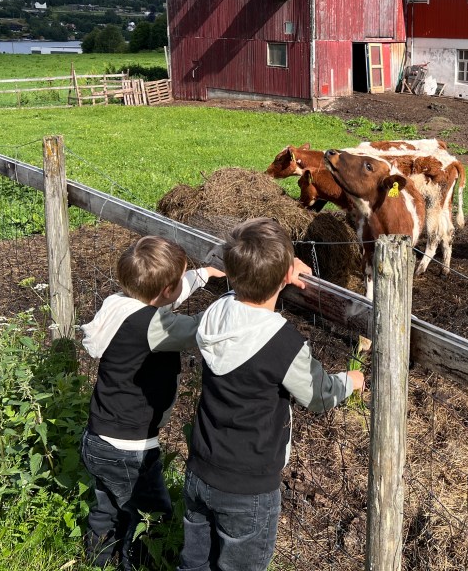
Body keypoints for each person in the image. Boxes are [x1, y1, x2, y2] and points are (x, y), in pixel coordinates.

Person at [177, 218, 365, 571]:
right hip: (249, 488)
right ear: (283, 279)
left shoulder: (213, 316)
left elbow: (237, 299)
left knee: (194, 563)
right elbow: (319, 394)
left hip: (200, 472)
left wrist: (276, 270)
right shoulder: (282, 343)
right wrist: (350, 381)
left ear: (231, 273)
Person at [80, 235, 227, 570]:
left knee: (107, 504)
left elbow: (165, 295)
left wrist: (201, 275)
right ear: (165, 291)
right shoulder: (155, 326)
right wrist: (236, 303)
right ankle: (139, 562)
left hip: (98, 436)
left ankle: (97, 559)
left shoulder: (120, 303)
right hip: (129, 447)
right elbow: (197, 329)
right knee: (150, 512)